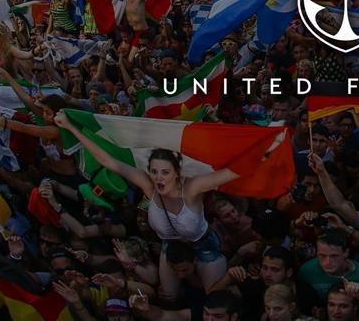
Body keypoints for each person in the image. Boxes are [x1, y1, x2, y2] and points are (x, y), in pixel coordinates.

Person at [55, 112, 244, 291]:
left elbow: (233, 171)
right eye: (154, 172)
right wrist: (71, 127)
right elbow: (107, 161)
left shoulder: (192, 188)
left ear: (177, 173)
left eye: (165, 172)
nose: (159, 178)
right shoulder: (148, 186)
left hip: (203, 246)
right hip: (170, 248)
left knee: (213, 293)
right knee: (169, 296)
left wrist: (261, 147)